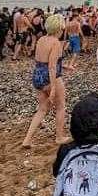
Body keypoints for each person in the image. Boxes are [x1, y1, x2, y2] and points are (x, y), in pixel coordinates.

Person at [22, 15, 69, 147]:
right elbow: (52, 66)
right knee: (60, 107)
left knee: (42, 109)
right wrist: (53, 88)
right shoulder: (56, 43)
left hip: (38, 76)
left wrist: (65, 66)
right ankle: (59, 137)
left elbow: (43, 60)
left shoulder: (41, 39)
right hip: (51, 77)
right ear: (59, 28)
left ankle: (27, 139)